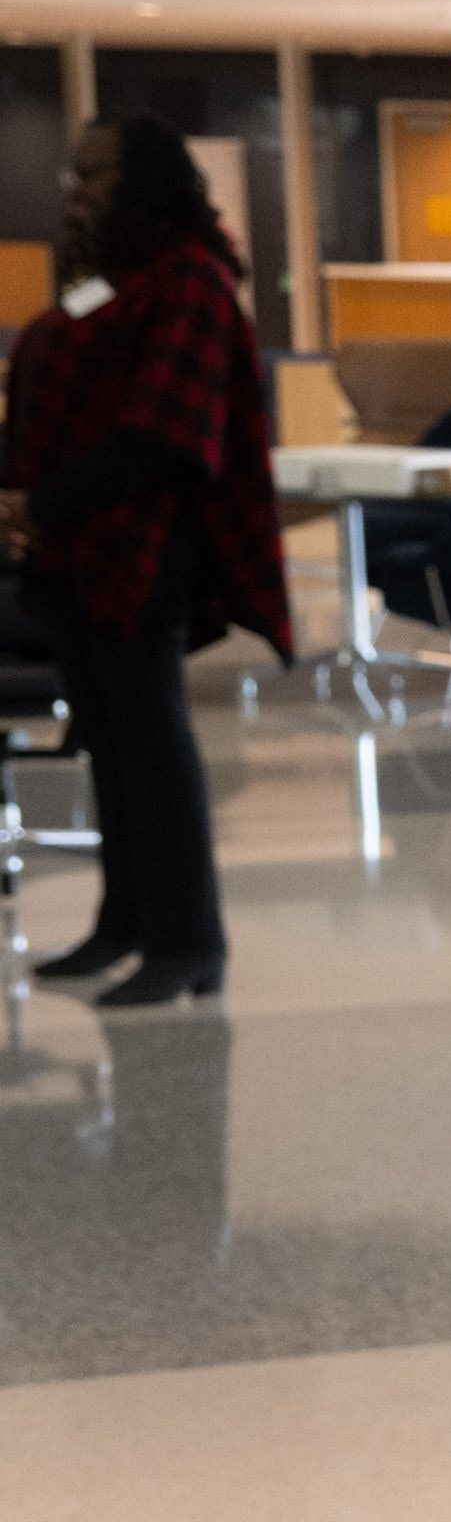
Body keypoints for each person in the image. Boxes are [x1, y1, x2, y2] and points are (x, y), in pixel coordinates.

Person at [0, 115, 290, 1008]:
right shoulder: (110, 281)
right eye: (76, 175)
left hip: (143, 555)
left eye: (95, 175)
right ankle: (123, 923)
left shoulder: (192, 280)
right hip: (75, 554)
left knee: (154, 751)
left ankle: (187, 942)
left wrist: (40, 504)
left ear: (147, 182)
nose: (77, 193)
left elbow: (168, 434)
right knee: (110, 746)